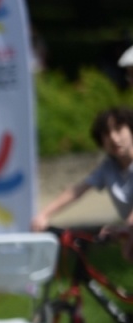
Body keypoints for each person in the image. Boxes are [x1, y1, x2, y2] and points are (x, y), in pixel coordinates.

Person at [31, 106, 133, 256]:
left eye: (118, 129)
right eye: (106, 134)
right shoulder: (108, 167)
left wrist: (126, 227)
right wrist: (43, 215)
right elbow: (76, 191)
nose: (113, 138)